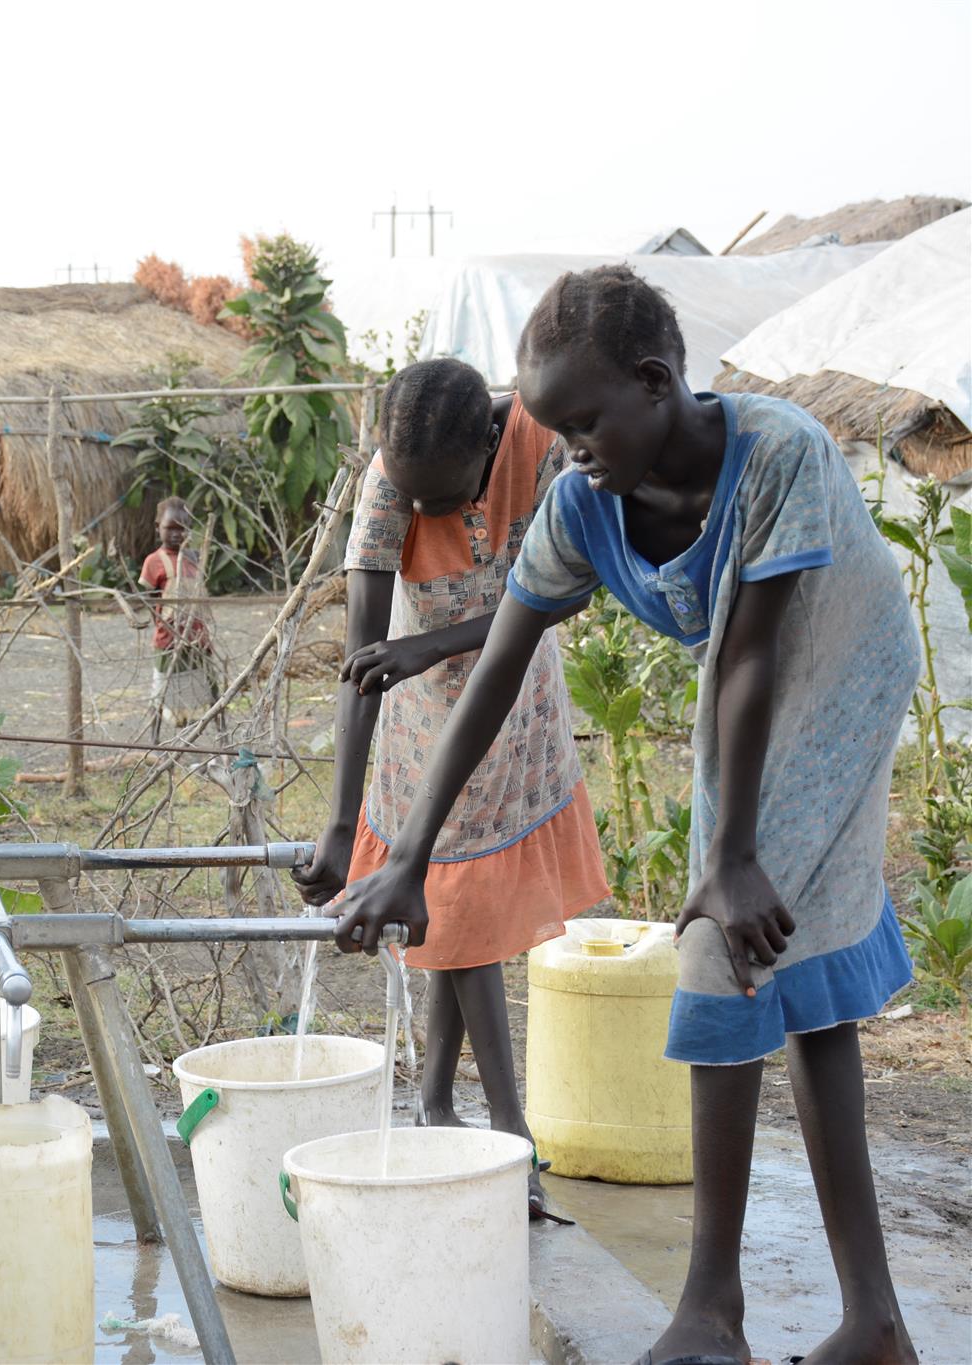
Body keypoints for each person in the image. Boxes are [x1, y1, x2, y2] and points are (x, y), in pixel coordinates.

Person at [336, 266, 920, 1365]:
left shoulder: (779, 454)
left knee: (720, 943)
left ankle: (710, 1313)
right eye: (551, 429)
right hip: (750, 683)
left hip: (838, 652)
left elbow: (752, 661)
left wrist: (732, 854)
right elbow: (494, 671)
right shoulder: (580, 503)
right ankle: (875, 1325)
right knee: (794, 963)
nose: (565, 449)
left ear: (656, 383)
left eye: (583, 422)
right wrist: (407, 855)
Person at [292, 357, 608, 1219]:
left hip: (518, 707)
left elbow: (569, 589)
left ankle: (464, 1114)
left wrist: (432, 643)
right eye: (413, 495)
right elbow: (364, 663)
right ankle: (499, 1130)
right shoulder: (390, 479)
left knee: (468, 916)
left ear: (488, 438)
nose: (425, 511)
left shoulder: (542, 445)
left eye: (445, 495)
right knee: (456, 912)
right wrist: (338, 821)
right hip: (422, 729)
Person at [137, 496, 221, 735]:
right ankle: (153, 744)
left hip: (198, 639)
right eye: (170, 529)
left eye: (182, 529)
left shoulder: (195, 558)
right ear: (157, 528)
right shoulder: (154, 562)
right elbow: (152, 601)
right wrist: (167, 627)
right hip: (169, 640)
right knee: (161, 691)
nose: (176, 534)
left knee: (211, 690)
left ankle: (223, 740)